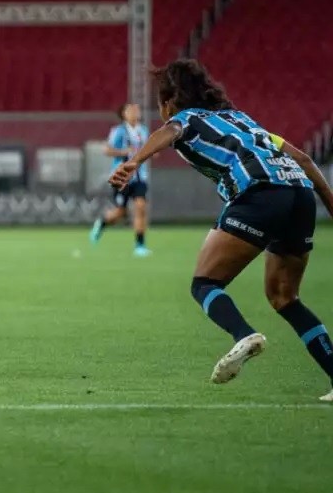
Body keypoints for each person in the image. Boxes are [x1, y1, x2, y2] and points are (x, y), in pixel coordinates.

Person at [111, 59, 333, 402]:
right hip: (300, 195)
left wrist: (135, 161)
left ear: (169, 101)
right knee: (285, 298)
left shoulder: (186, 118)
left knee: (205, 283)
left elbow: (170, 132)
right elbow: (303, 158)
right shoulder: (242, 120)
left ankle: (243, 335)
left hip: (259, 194)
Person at [90, 103, 151, 256]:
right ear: (124, 114)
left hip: (139, 177)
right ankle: (102, 223)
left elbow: (151, 149)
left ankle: (140, 245)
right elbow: (107, 150)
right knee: (119, 213)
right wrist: (125, 151)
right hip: (122, 177)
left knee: (140, 206)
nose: (134, 113)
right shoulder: (118, 131)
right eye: (130, 110)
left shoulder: (144, 131)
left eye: (136, 110)